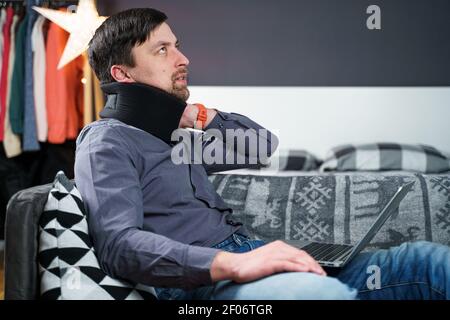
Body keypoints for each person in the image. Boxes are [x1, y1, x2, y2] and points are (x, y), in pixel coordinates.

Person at [75, 8, 450, 300]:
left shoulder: (178, 139)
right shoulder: (107, 142)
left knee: (424, 260)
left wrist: (196, 114)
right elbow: (118, 244)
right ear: (122, 74)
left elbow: (261, 147)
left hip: (257, 257)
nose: (183, 59)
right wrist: (233, 263)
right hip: (207, 284)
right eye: (163, 50)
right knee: (321, 295)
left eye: (177, 45)